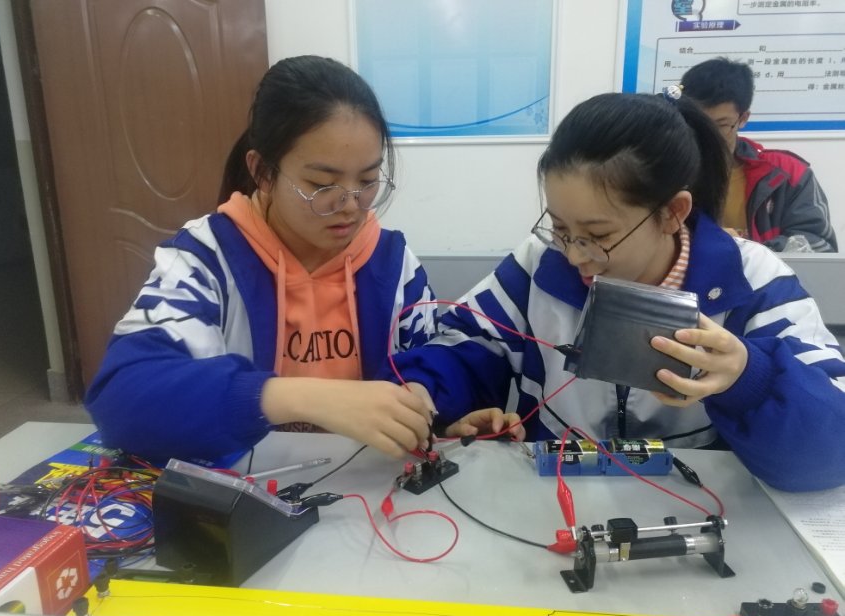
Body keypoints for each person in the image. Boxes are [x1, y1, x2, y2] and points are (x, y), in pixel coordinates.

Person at [383, 91, 845, 492]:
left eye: (598, 235)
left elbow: (831, 450)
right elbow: (466, 344)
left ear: (673, 212)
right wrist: (425, 395)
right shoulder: (540, 265)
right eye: (560, 227)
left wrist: (749, 379)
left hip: (703, 505)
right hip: (552, 498)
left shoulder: (753, 280)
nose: (575, 255)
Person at [86, 55, 442, 463]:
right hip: (247, 486)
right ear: (263, 172)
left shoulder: (392, 264)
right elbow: (121, 398)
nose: (350, 205)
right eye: (321, 184)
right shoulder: (207, 259)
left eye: (367, 180)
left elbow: (435, 359)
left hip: (368, 484)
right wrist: (295, 397)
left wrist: (435, 405)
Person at [680, 57, 838, 252]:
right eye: (696, 123)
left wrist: (742, 248)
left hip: (765, 271)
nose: (707, 135)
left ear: (743, 118)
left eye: (721, 125)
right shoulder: (669, 169)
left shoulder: (788, 174)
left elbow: (819, 245)